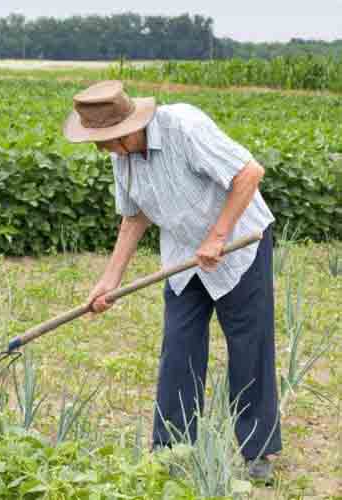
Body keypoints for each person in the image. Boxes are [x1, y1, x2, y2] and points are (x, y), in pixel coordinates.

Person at [62, 81, 281, 481]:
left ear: (128, 127)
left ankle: (258, 452)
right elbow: (134, 217)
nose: (101, 148)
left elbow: (249, 173)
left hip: (238, 246)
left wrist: (218, 236)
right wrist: (109, 279)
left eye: (105, 139)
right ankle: (171, 449)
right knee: (178, 350)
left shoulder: (185, 127)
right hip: (183, 257)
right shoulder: (122, 156)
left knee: (249, 347)